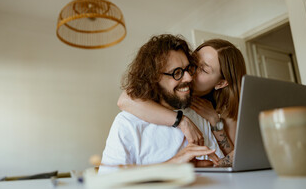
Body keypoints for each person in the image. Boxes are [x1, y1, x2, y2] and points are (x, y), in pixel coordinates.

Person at [99, 34, 224, 173]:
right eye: (177, 73)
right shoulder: (127, 123)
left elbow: (222, 170)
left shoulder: (198, 116)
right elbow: (108, 183)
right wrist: (172, 164)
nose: (189, 78)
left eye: (188, 69)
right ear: (154, 78)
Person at [118, 38, 247, 166]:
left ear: (221, 83)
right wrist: (181, 121)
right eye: (193, 62)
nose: (190, 74)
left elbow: (236, 155)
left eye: (204, 70)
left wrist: (215, 121)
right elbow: (125, 99)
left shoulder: (224, 107)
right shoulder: (133, 119)